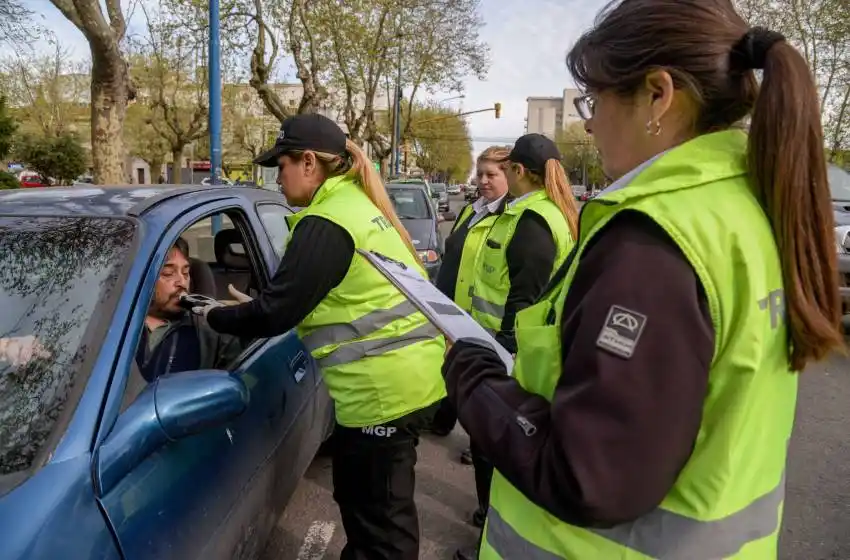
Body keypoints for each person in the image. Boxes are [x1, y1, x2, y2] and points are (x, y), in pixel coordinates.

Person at [442, 1, 844, 558]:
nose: (589, 121)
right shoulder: (747, 207)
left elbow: (589, 476)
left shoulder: (653, 240)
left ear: (658, 95)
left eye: (595, 99)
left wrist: (474, 376)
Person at [192, 114, 447, 560]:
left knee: (381, 524)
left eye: (281, 165)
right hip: (408, 381)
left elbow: (276, 313)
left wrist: (215, 316)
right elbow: (296, 297)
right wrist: (253, 307)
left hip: (382, 392)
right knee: (370, 503)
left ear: (308, 162)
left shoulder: (327, 221)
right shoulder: (355, 206)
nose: (278, 176)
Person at [428, 147, 512, 528]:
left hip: (485, 334)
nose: (482, 181)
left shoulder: (511, 219)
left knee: (483, 422)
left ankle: (488, 510)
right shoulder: (471, 209)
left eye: (492, 174)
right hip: (454, 322)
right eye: (480, 173)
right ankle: (449, 420)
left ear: (511, 176)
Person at [135, 237, 242, 382]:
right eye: (168, 273)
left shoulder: (209, 328)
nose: (182, 282)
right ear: (140, 279)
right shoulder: (111, 323)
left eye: (186, 273)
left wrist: (247, 318)